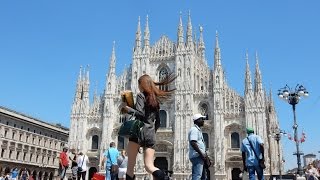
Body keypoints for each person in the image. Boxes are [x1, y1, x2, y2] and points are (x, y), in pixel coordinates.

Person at [121, 73, 176, 180]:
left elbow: (140, 114)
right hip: (150, 134)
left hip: (137, 133)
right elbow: (158, 122)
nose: (138, 87)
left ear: (142, 85)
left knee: (130, 167)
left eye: (139, 84)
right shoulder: (155, 100)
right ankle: (165, 178)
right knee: (149, 166)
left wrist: (128, 108)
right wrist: (151, 132)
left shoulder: (141, 95)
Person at [188, 113, 208, 180]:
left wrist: (206, 156)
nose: (203, 121)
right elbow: (193, 143)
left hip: (200, 156)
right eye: (202, 119)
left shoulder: (198, 130)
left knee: (203, 177)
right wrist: (201, 154)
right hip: (197, 156)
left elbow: (201, 145)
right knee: (197, 176)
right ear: (197, 120)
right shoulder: (194, 129)